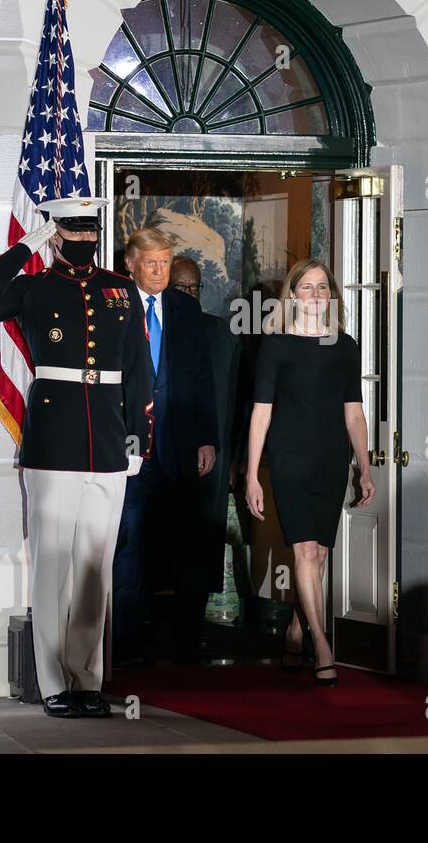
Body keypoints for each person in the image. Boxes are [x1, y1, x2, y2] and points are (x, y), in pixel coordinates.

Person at [0, 198, 153, 719]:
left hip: (110, 445)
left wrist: (139, 438)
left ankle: (86, 679)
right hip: (53, 444)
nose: (86, 235)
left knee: (95, 566)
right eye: (73, 228)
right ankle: (52, 682)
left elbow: (139, 371)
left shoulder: (120, 290)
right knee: (52, 565)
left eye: (91, 227)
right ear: (57, 232)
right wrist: (26, 246)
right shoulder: (32, 287)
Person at [244, 259, 374, 686]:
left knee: (319, 554)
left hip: (331, 458)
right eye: (307, 287)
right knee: (303, 551)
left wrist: (365, 467)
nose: (315, 295)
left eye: (322, 288)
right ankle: (322, 643)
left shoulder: (345, 346)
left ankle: (297, 629)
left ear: (331, 295)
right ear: (293, 295)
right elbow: (261, 412)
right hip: (289, 457)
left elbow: (354, 411)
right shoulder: (276, 345)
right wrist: (250, 475)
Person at [112, 228, 219, 664]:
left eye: (166, 263)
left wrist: (207, 438)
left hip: (177, 447)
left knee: (177, 539)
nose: (160, 272)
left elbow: (199, 378)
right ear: (131, 264)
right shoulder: (112, 305)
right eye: (151, 263)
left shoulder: (184, 308)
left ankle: (177, 640)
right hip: (126, 448)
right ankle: (124, 641)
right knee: (129, 539)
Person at [170, 256, 243, 633]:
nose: (188, 294)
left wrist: (235, 457)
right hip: (167, 456)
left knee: (203, 542)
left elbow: (237, 398)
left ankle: (190, 629)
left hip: (214, 457)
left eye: (194, 287)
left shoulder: (221, 334)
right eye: (180, 287)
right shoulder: (154, 331)